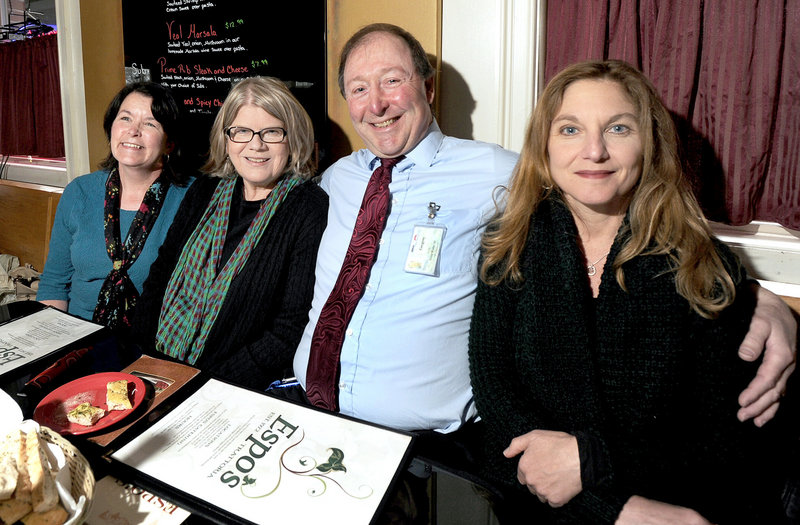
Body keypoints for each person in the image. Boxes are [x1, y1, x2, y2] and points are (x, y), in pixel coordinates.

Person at [292, 22, 794, 441]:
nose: (376, 104)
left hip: (421, 446)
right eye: (359, 89)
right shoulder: (339, 177)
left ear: (426, 88)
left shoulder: (497, 171)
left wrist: (751, 294)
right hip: (305, 411)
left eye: (391, 81)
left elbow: (626, 200)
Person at [468, 59, 798, 524]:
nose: (594, 151)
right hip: (538, 505)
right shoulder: (508, 245)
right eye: (570, 130)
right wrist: (610, 510)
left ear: (650, 143)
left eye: (619, 128)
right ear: (543, 145)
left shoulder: (700, 266)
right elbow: (496, 396)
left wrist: (596, 460)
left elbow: (727, 440)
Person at [132, 76, 327, 390]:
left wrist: (205, 383)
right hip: (157, 367)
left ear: (293, 138)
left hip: (232, 388)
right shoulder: (203, 191)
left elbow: (288, 330)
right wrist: (146, 358)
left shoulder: (309, 209)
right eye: (241, 132)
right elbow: (160, 275)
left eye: (272, 132)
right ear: (226, 138)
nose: (256, 145)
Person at [37, 82, 192, 331]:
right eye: (125, 118)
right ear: (112, 128)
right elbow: (55, 283)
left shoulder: (192, 199)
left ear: (170, 142)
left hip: (151, 345)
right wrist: (51, 346)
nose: (133, 131)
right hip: (76, 339)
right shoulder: (79, 191)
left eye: (150, 123)